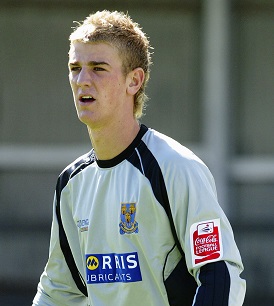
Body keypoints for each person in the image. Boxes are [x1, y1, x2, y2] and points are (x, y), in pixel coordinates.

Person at [32, 10, 246, 306]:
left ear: (134, 81)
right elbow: (58, 292)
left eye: (98, 68)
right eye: (75, 67)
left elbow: (219, 273)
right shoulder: (71, 184)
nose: (82, 80)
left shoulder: (175, 168)